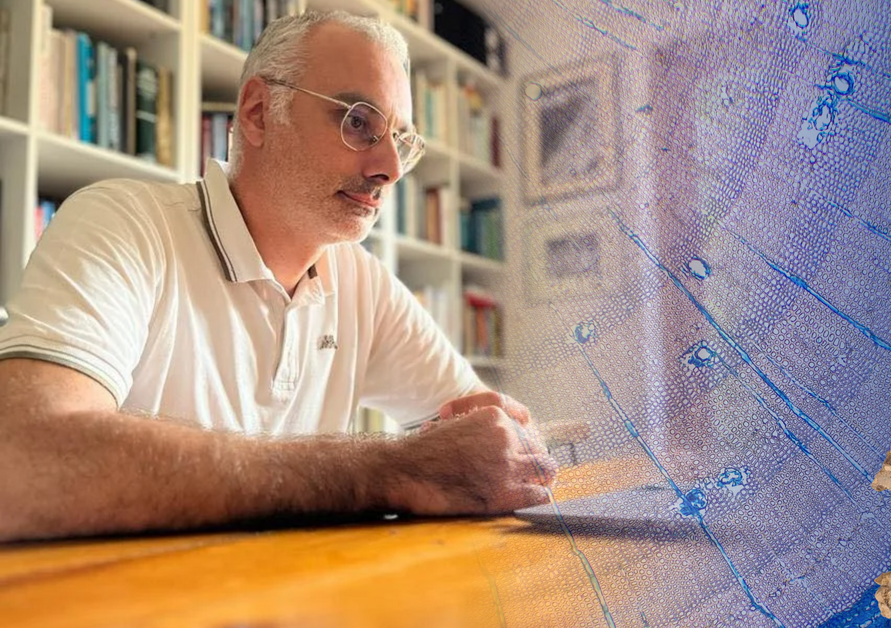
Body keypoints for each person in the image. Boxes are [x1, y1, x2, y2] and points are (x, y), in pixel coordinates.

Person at [0, 10, 555, 543]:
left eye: (401, 140)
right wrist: (390, 469)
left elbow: (492, 439)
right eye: (358, 122)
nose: (388, 168)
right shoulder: (124, 224)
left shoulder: (363, 283)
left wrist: (496, 446)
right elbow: (19, 457)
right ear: (260, 112)